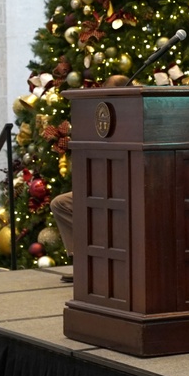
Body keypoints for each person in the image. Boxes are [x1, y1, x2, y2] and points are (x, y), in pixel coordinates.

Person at [50, 74, 131, 282]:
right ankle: (83, 263)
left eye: (109, 92)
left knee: (100, 206)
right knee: (61, 203)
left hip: (128, 188)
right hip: (102, 186)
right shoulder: (103, 117)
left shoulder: (132, 118)